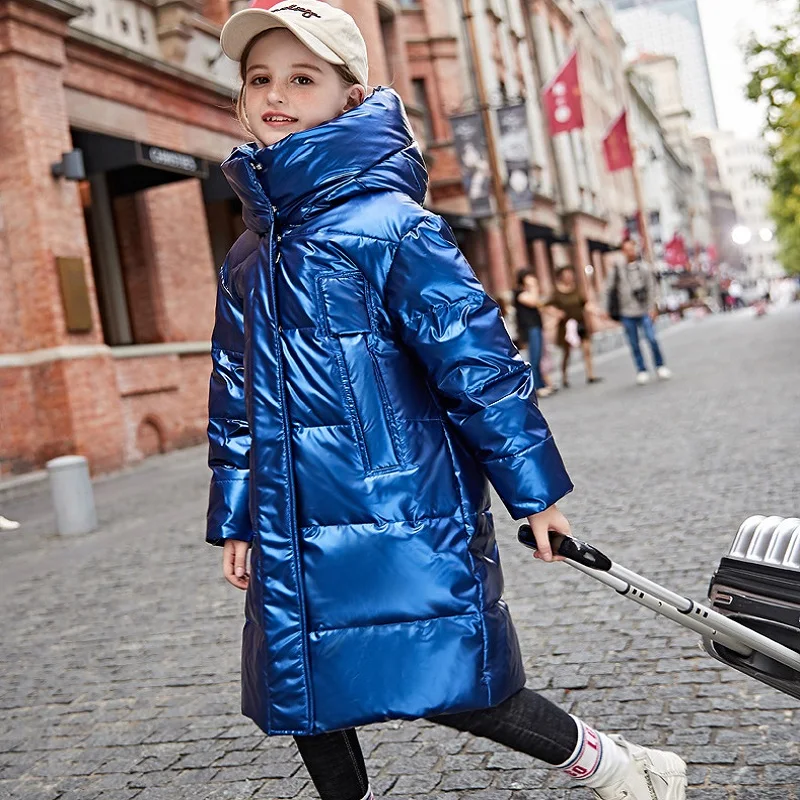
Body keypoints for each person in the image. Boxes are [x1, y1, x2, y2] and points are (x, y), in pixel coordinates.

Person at [206, 3, 687, 799]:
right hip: (289, 511)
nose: (276, 95)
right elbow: (234, 390)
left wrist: (535, 494)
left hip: (400, 500)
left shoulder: (394, 225)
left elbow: (477, 363)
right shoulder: (249, 253)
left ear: (350, 96)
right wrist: (236, 512)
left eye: (301, 78)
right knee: (301, 690)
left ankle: (616, 766)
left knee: (455, 680)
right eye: (260, 79)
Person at [607, 240, 672, 386]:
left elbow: (652, 288)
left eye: (632, 249)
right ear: (623, 252)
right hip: (626, 312)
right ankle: (641, 369)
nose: (630, 252)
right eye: (627, 250)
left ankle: (660, 365)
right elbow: (608, 289)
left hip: (644, 310)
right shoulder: (617, 270)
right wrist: (606, 310)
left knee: (652, 338)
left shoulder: (644, 268)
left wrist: (653, 307)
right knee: (634, 343)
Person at [545, 266, 601, 388]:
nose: (569, 277)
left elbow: (585, 304)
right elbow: (546, 306)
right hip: (566, 327)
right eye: (566, 275)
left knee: (586, 349)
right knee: (567, 353)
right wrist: (556, 313)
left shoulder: (576, 290)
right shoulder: (557, 293)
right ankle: (564, 376)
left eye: (570, 274)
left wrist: (596, 311)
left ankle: (590, 374)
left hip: (580, 323)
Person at [514, 268, 554, 398]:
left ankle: (542, 383)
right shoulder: (519, 293)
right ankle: (537, 387)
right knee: (534, 358)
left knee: (539, 357)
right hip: (530, 328)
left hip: (536, 326)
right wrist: (534, 287)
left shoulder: (527, 293)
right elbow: (533, 301)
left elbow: (539, 304)